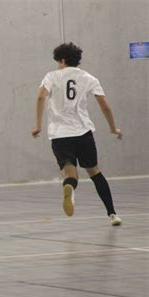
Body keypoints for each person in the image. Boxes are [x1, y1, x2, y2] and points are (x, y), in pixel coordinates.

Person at [31, 42, 123, 226]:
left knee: (70, 174)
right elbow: (104, 105)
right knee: (95, 173)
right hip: (83, 133)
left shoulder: (52, 76)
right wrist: (113, 128)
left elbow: (41, 96)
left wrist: (38, 125)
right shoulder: (89, 78)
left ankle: (69, 187)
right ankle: (112, 214)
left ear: (62, 60)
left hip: (59, 135)